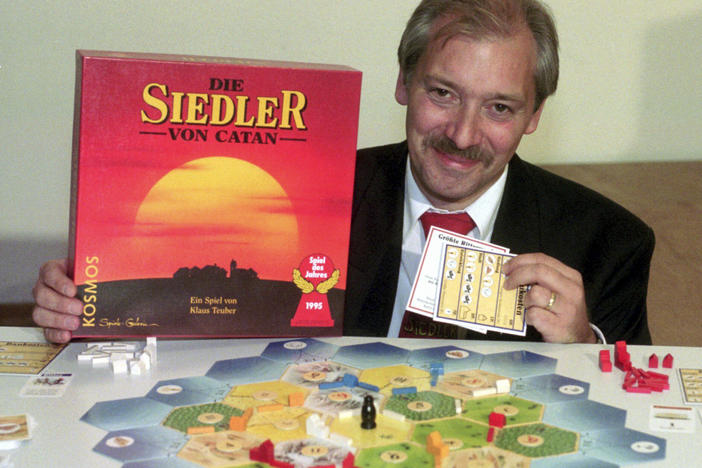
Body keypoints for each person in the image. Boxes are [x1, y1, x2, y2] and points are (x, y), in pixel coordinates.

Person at [32, 0, 654, 345]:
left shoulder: (610, 243)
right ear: (403, 84)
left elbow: (639, 413)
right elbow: (199, 314)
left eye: (498, 107)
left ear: (535, 115)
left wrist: (582, 353)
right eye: (443, 92)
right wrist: (92, 309)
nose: (463, 136)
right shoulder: (308, 199)